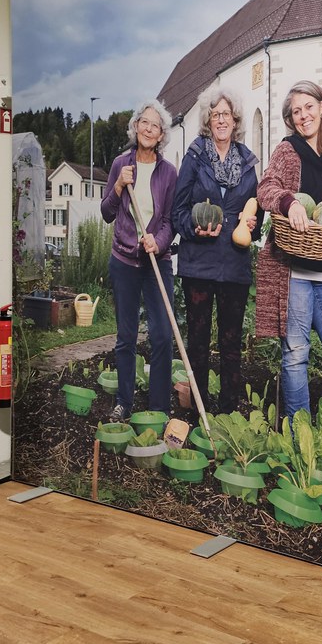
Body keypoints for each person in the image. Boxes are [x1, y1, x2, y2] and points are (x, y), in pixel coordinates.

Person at [255, 81, 322, 432]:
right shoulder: (288, 150)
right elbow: (267, 187)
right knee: (295, 358)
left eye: (308, 107)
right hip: (294, 274)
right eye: (296, 111)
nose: (303, 116)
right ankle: (300, 439)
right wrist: (289, 202)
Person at [173, 85, 261, 414]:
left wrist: (253, 225)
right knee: (196, 343)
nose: (221, 119)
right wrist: (193, 230)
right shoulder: (195, 157)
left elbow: (256, 212)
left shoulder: (249, 163)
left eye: (226, 114)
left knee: (230, 343)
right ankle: (198, 411)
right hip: (198, 264)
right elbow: (177, 211)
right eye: (215, 114)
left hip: (234, 266)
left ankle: (226, 413)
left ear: (235, 119)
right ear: (207, 120)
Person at [101, 99, 178, 421]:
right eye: (143, 122)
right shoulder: (122, 164)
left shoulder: (169, 171)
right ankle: (124, 401)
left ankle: (159, 407)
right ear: (136, 127)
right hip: (124, 261)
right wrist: (118, 185)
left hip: (155, 263)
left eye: (155, 125)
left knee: (162, 334)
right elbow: (106, 213)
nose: (148, 128)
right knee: (126, 337)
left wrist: (157, 242)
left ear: (161, 135)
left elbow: (170, 220)